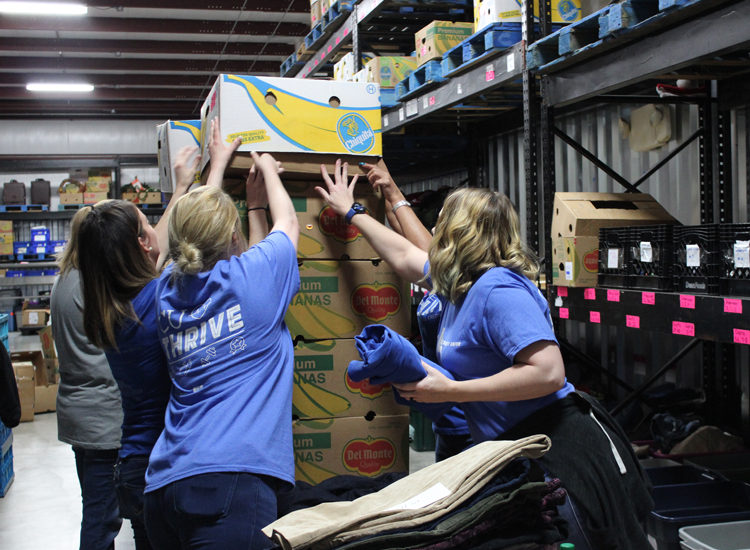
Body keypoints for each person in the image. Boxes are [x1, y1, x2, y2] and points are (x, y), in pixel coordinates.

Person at [316, 162, 653, 550]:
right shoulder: (458, 284)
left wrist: (452, 391)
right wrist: (352, 212)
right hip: (515, 446)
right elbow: (402, 255)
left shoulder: (498, 289)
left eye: (442, 222)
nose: (435, 230)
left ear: (461, 233)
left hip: (559, 447)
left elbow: (548, 374)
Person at [75, 138, 235, 549]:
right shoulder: (164, 299)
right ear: (144, 245)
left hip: (133, 467)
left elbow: (159, 244)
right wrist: (215, 171)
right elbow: (203, 236)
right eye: (147, 223)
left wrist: (182, 186)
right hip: (165, 466)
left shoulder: (109, 309)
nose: (154, 226)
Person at [143, 148, 299, 549]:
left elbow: (195, 231)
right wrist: (267, 168)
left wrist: (229, 186)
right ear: (233, 237)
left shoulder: (163, 292)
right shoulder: (253, 280)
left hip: (164, 487)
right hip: (230, 486)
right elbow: (290, 221)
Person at [359, 161, 473, 462]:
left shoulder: (468, 286)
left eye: (442, 223)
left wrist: (356, 210)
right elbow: (408, 247)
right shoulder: (446, 276)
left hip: (470, 427)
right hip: (447, 420)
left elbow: (414, 251)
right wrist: (389, 191)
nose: (434, 225)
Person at [51, 209, 123, 550]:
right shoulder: (91, 286)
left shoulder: (66, 277)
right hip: (101, 420)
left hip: (81, 413)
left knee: (96, 508)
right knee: (102, 517)